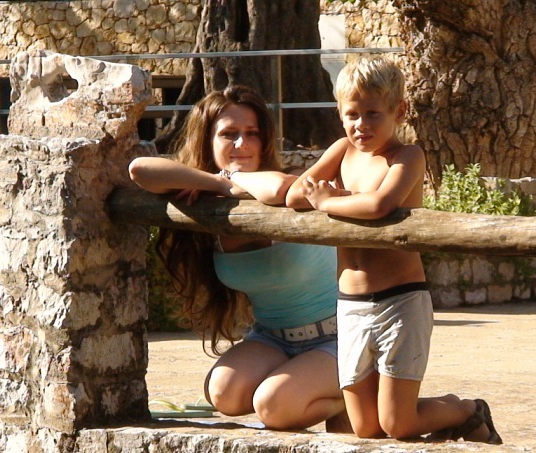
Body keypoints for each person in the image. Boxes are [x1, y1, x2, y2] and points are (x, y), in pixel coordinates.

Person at [285, 57, 502, 444]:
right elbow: (295, 195)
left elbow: (380, 204)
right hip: (350, 305)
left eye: (373, 114)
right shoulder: (341, 151)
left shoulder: (407, 156)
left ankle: (467, 410)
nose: (361, 125)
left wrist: (329, 200)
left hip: (400, 302)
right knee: (366, 427)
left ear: (398, 112)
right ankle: (456, 418)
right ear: (339, 113)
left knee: (397, 424)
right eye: (352, 115)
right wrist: (327, 196)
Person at [128, 86, 349, 432]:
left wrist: (232, 177)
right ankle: (320, 389)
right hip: (274, 339)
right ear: (207, 141)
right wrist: (216, 183)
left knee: (273, 407)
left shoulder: (288, 187)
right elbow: (140, 169)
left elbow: (276, 189)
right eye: (228, 134)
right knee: (224, 393)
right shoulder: (210, 192)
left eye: (252, 133)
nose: (241, 144)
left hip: (339, 336)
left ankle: (358, 397)